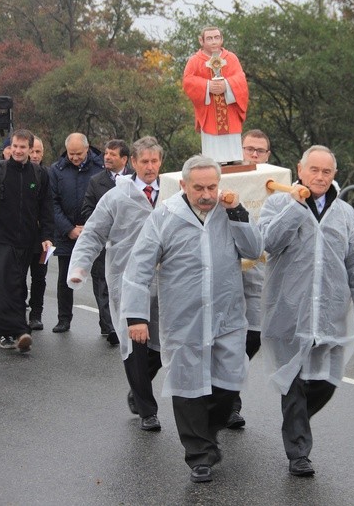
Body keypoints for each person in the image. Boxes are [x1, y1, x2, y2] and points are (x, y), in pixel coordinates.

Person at [121, 155, 262, 483]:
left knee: (228, 384)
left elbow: (254, 250)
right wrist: (136, 316)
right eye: (198, 187)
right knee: (188, 386)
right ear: (183, 185)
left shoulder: (229, 213)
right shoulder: (165, 217)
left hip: (227, 317)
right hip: (183, 319)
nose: (207, 194)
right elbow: (139, 267)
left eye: (212, 186)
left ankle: (208, 435)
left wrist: (239, 212)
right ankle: (198, 455)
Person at [258, 145, 354, 477]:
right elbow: (267, 241)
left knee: (326, 380)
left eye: (326, 172)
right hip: (287, 310)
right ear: (300, 169)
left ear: (334, 175)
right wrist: (296, 207)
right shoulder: (278, 203)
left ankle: (295, 422)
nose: (320, 177)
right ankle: (299, 453)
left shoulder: (345, 214)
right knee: (293, 380)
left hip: (330, 313)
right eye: (314, 170)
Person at [69, 136, 164, 429]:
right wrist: (80, 266)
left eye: (154, 161)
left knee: (162, 345)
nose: (150, 167)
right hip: (127, 278)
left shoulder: (174, 193)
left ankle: (138, 388)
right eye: (144, 161)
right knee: (134, 341)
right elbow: (94, 233)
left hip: (166, 281)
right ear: (132, 162)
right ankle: (148, 411)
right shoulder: (116, 196)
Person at [0, 129, 54, 352]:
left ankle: (15, 330)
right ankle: (8, 331)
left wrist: (46, 237)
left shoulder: (39, 174)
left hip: (27, 239)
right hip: (1, 238)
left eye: (23, 147)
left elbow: (46, 209)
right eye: (15, 146)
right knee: (3, 284)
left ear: (31, 149)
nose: (18, 150)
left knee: (18, 284)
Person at [226, 129, 273, 429]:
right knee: (225, 338)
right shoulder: (225, 179)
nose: (254, 154)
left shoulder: (274, 184)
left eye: (260, 150)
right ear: (240, 150)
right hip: (226, 273)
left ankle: (228, 390)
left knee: (253, 337)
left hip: (257, 272)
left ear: (268, 155)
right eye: (249, 149)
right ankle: (228, 403)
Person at [79, 139, 132, 345]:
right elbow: (87, 209)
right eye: (106, 154)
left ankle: (127, 323)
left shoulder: (134, 180)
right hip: (105, 243)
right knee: (103, 284)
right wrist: (104, 226)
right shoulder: (96, 181)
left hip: (129, 243)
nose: (107, 157)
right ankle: (110, 327)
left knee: (126, 284)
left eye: (113, 154)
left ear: (125, 159)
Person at [49, 133, 103, 333]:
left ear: (87, 149)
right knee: (66, 278)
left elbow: (105, 201)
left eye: (78, 153)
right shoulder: (56, 170)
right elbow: (52, 203)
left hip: (95, 233)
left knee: (100, 278)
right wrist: (69, 229)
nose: (74, 157)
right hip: (67, 233)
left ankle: (106, 323)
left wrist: (91, 228)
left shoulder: (100, 168)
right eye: (71, 154)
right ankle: (64, 319)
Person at [183, 26, 249, 164]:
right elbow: (188, 81)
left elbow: (241, 78)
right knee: (212, 153)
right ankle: (214, 162)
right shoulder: (195, 60)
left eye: (216, 38)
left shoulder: (231, 58)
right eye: (209, 38)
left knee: (232, 147)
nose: (214, 42)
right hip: (210, 111)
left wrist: (227, 84)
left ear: (222, 39)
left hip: (229, 110)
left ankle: (234, 160)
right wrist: (207, 86)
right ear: (201, 41)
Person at [26, 135, 48, 331]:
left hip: (41, 238)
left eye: (37, 152)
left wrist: (48, 236)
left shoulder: (46, 175)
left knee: (39, 278)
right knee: (18, 277)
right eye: (31, 151)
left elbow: (49, 207)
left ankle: (36, 314)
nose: (34, 155)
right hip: (22, 237)